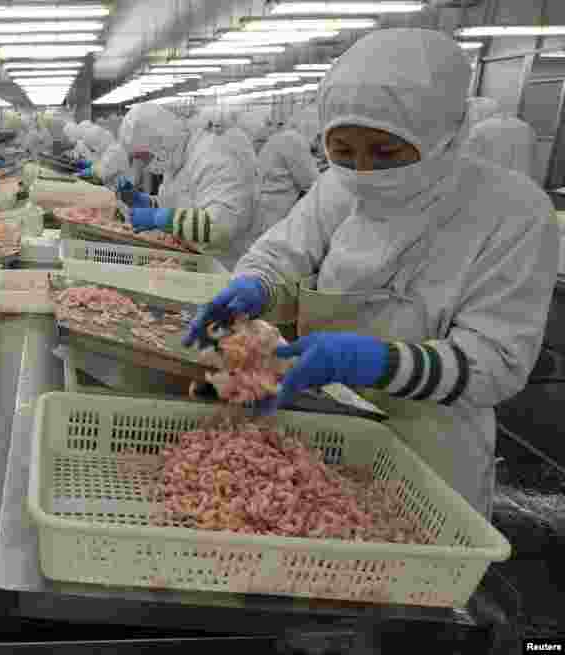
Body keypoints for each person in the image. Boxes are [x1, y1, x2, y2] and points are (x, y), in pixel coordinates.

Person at [184, 28, 559, 517]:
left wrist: (379, 362)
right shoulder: (340, 188)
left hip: (430, 459)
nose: (363, 170)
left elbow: (496, 362)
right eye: (343, 150)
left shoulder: (512, 214)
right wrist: (252, 284)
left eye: (385, 153)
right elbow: (284, 249)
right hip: (321, 432)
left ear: (444, 134)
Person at [115, 103, 257, 271]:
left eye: (144, 158)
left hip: (228, 267)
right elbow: (179, 207)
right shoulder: (178, 155)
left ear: (160, 143)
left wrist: (159, 218)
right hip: (197, 259)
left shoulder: (214, 152)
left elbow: (221, 227)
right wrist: (147, 203)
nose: (145, 165)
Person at [255, 110, 320, 235]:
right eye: (318, 137)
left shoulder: (282, 137)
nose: (317, 142)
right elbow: (310, 181)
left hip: (266, 201)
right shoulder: (295, 141)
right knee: (274, 243)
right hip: (277, 207)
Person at [466, 107, 540, 182]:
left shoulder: (479, 128)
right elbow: (534, 163)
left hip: (491, 183)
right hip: (524, 183)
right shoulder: (528, 129)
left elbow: (469, 160)